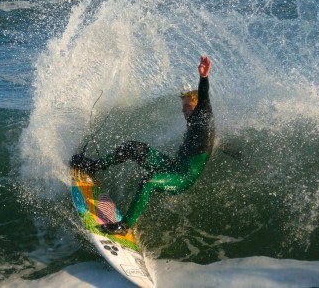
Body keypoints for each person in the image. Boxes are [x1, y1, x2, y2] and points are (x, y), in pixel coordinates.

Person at [71, 55, 215, 235]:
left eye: (187, 107)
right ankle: (94, 166)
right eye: (183, 106)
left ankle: (124, 226)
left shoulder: (203, 115)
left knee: (147, 182)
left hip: (182, 178)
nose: (183, 110)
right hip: (173, 167)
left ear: (197, 107)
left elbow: (204, 97)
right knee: (132, 147)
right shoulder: (195, 125)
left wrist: (203, 78)